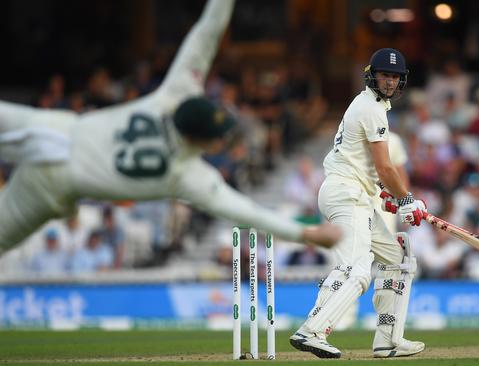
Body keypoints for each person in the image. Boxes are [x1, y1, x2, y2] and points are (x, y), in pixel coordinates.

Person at [0, 0, 340, 253]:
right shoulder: (185, 175)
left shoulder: (174, 95)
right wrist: (304, 234)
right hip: (53, 186)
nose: (219, 144)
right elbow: (247, 212)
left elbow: (207, 29)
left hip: (53, 130)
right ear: (199, 139)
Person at [289, 48, 425, 359]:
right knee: (357, 270)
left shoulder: (372, 105)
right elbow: (385, 168)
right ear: (372, 75)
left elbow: (372, 171)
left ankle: (388, 338)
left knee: (397, 258)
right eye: (384, 75)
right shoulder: (370, 107)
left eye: (394, 76)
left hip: (357, 193)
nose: (389, 81)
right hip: (345, 193)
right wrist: (406, 199)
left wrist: (393, 197)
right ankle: (312, 330)